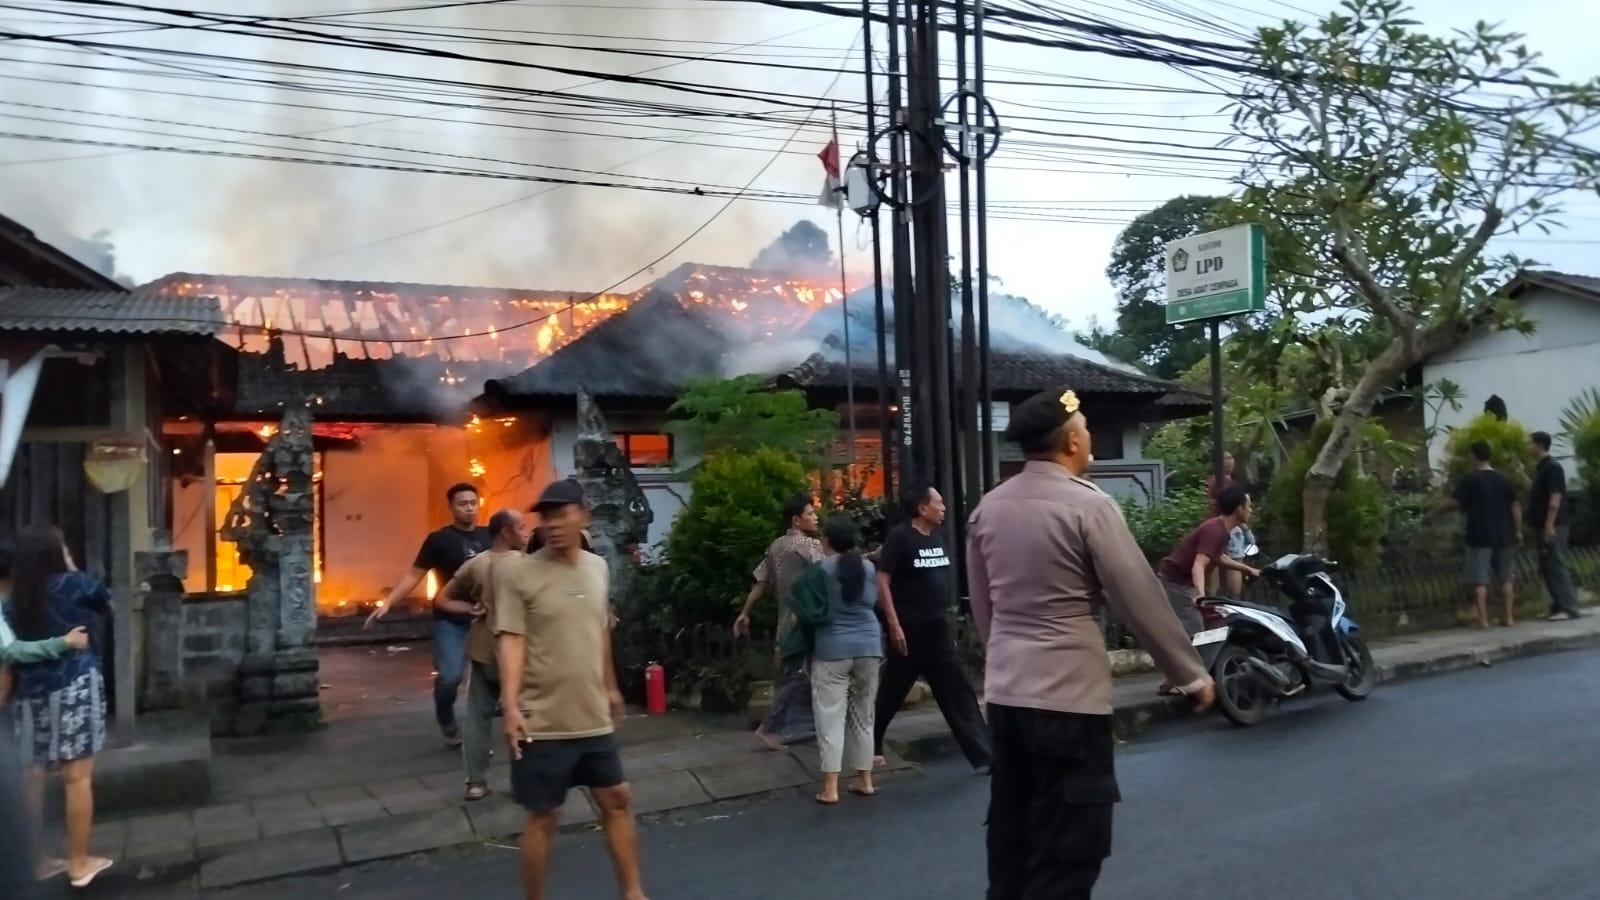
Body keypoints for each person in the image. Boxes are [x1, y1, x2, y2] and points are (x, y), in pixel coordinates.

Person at [967, 386, 1216, 900]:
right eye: (1084, 430)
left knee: (1014, 838)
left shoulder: (986, 511)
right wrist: (1188, 673)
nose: (1088, 438)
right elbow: (1138, 597)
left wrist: (1002, 670)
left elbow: (984, 608)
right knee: (1069, 851)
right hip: (1069, 701)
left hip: (1009, 698)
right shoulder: (1090, 507)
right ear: (1072, 443)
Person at [490, 479, 647, 900]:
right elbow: (510, 639)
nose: (553, 524)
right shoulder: (519, 573)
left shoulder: (597, 567)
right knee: (544, 816)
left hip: (592, 715)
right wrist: (510, 707)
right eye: (546, 517)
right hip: (542, 720)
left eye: (562, 514)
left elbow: (600, 631)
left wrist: (612, 688)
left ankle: (632, 892)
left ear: (584, 516)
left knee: (616, 799)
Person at [2, 527, 115, 888]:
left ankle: (35, 860)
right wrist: (71, 567)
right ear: (56, 551)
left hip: (30, 692)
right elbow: (106, 602)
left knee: (32, 777)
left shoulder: (14, 597)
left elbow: (11, 648)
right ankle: (79, 863)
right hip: (74, 684)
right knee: (77, 777)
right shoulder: (75, 583)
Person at [872, 482, 993, 772]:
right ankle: (871, 742)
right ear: (922, 508)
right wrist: (894, 624)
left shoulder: (939, 536)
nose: (943, 507)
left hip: (937, 629)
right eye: (937, 502)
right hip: (909, 632)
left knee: (957, 691)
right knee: (891, 693)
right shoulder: (900, 537)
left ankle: (986, 754)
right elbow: (883, 581)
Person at [367, 482, 493, 748]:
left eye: (473, 502)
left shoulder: (489, 536)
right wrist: (388, 603)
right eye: (463, 503)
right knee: (450, 675)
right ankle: (446, 718)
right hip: (451, 620)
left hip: (485, 618)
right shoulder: (439, 540)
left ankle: (482, 731)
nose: (470, 508)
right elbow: (415, 574)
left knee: (495, 676)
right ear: (450, 507)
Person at [782, 515, 882, 805]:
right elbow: (872, 603)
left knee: (830, 717)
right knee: (864, 716)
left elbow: (803, 609)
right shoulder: (867, 568)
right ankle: (865, 781)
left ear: (827, 542)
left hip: (832, 650)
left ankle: (831, 788)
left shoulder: (818, 571)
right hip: (869, 646)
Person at [437, 508, 532, 801]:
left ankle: (476, 783)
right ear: (506, 532)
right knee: (525, 713)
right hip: (519, 652)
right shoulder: (528, 565)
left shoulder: (476, 564)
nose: (527, 532)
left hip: (483, 649)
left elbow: (441, 599)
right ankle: (524, 781)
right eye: (522, 527)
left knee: (478, 718)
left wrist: (470, 609)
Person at [732, 494, 822, 751]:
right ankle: (769, 728)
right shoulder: (809, 546)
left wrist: (745, 612)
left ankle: (800, 725)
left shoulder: (776, 546)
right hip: (806, 620)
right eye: (810, 513)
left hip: (785, 621)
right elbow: (832, 568)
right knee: (802, 675)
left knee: (797, 674)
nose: (815, 517)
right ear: (796, 520)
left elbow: (760, 582)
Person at [1154, 484, 1258, 694]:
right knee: (1195, 631)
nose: (1251, 510)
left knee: (1194, 632)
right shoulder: (1215, 530)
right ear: (1239, 509)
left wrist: (1246, 568)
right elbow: (1199, 564)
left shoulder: (1222, 530)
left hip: (1180, 581)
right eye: (1249, 505)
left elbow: (1217, 557)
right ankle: (1185, 682)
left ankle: (1176, 679)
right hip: (1176, 582)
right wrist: (1201, 596)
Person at [1452, 441, 1521, 629]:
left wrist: (1433, 513)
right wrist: (1518, 531)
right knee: (1506, 578)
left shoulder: (1469, 480)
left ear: (1474, 456)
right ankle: (1508, 617)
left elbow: (1456, 502)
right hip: (1504, 534)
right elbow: (1515, 506)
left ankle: (1482, 620)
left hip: (1479, 535)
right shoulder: (1504, 479)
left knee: (1479, 580)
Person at [1528, 431, 1582, 620]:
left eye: (1530, 443)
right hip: (1543, 523)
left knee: (1555, 564)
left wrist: (1549, 524)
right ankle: (1557, 605)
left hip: (1554, 524)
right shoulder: (1542, 468)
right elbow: (1540, 494)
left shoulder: (1553, 467)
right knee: (1547, 565)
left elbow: (1555, 498)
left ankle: (1569, 608)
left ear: (1540, 445)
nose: (1528, 447)